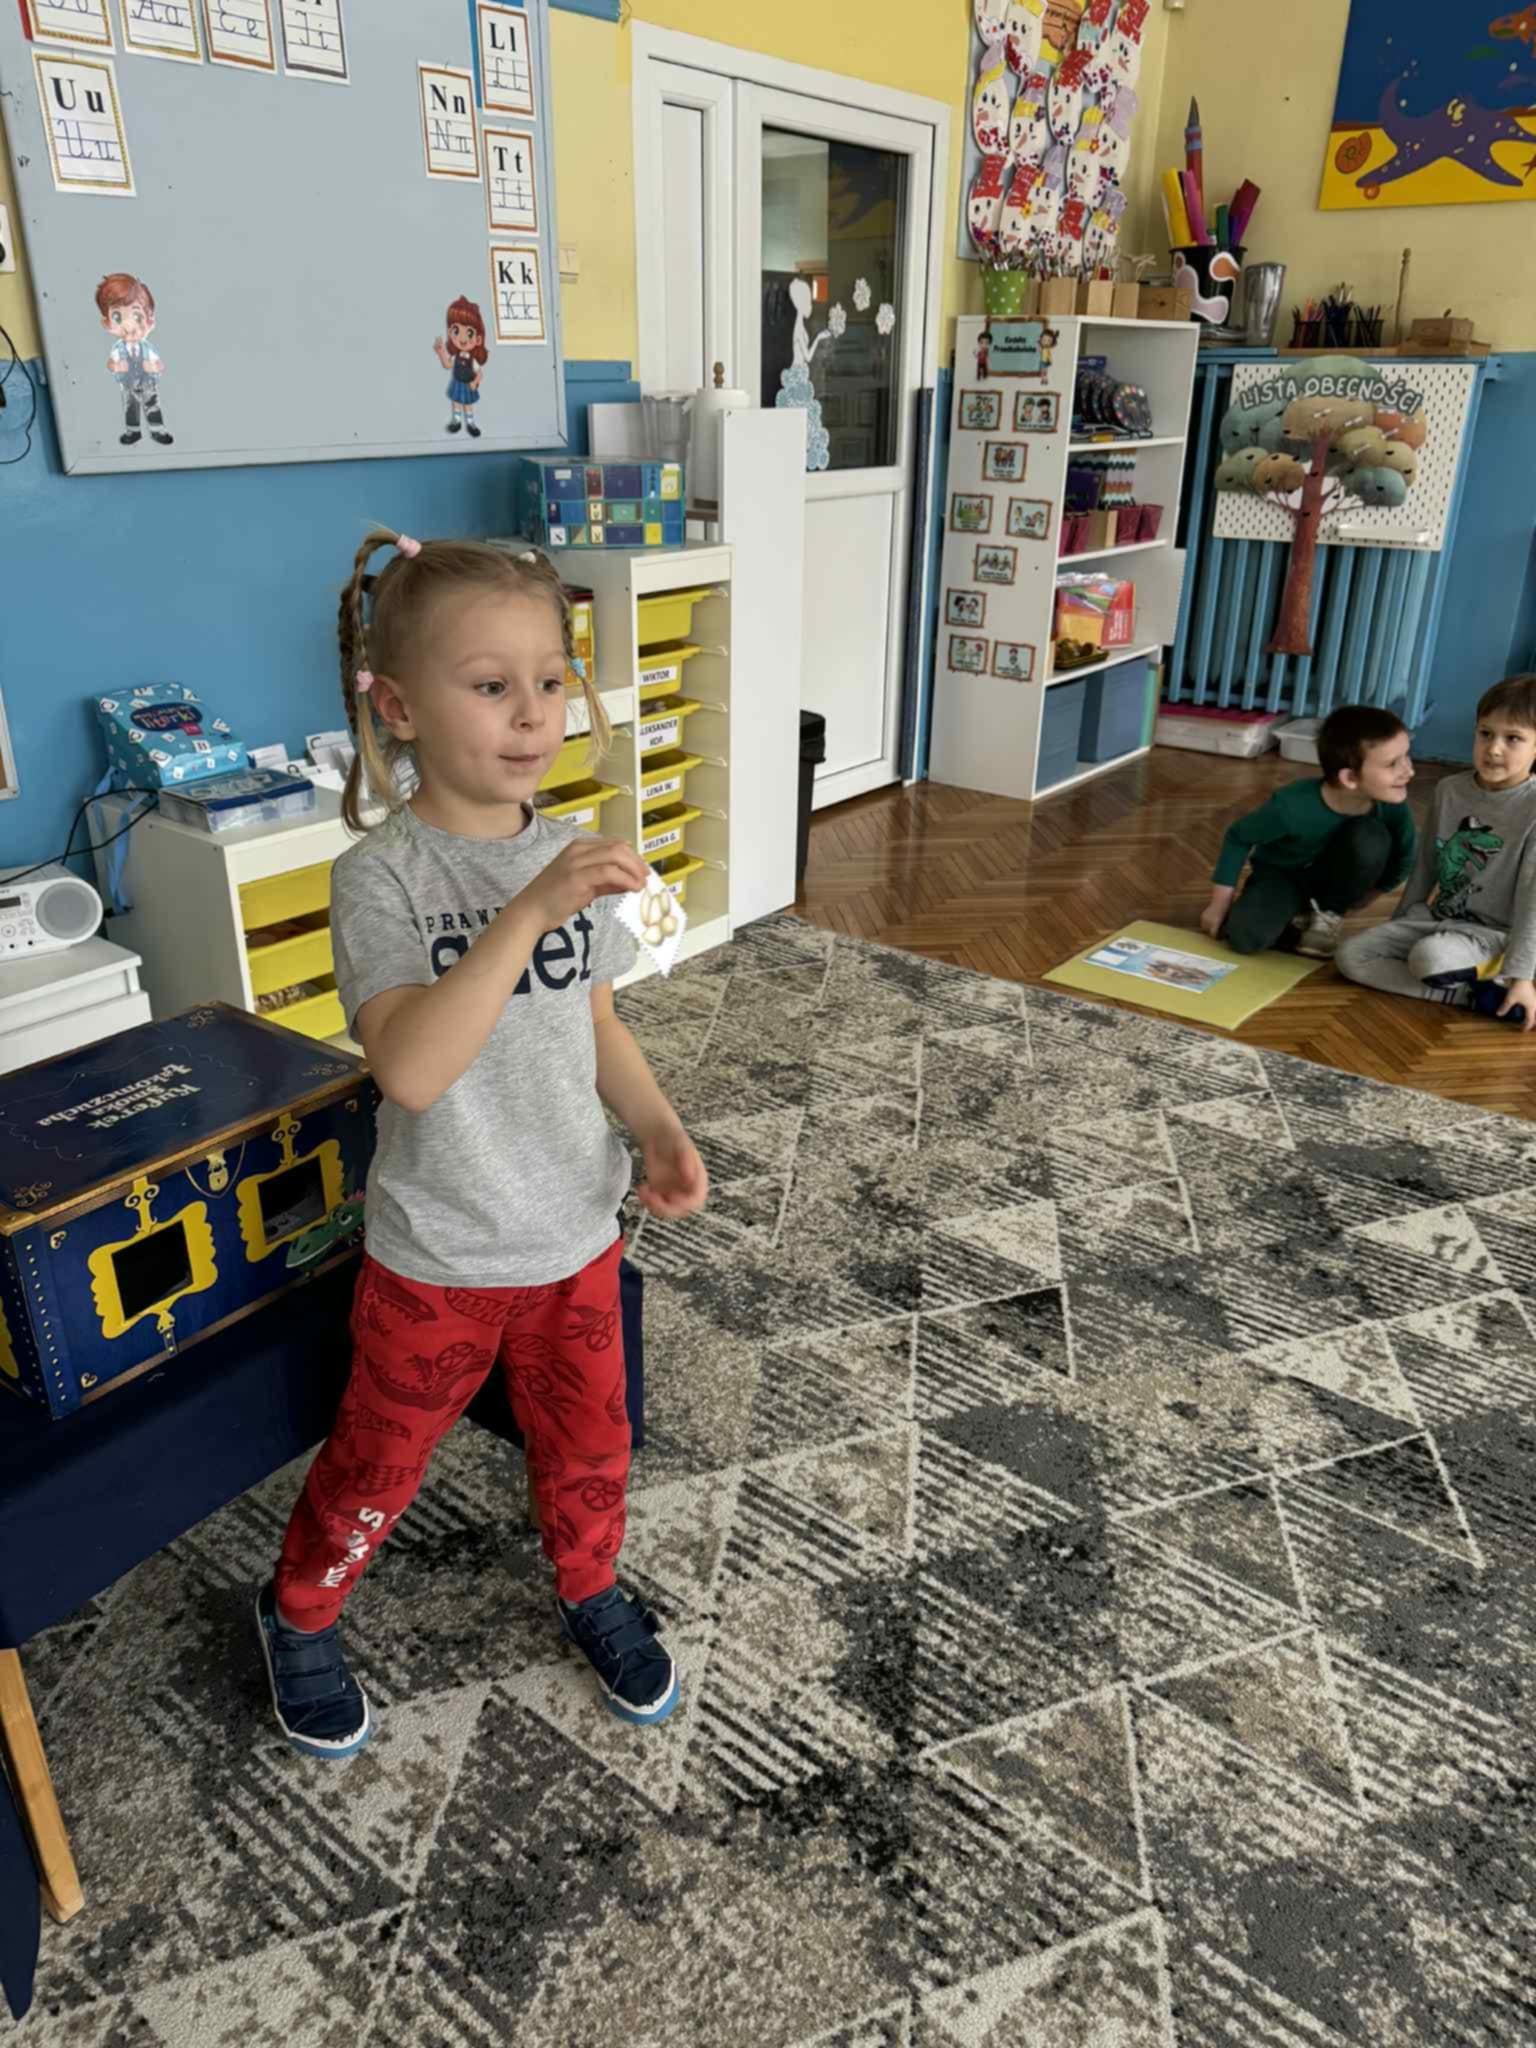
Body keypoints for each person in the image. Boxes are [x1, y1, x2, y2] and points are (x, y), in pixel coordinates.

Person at [255, 531, 710, 1761]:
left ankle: (590, 1585)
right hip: (441, 1255)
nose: (532, 713)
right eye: (491, 683)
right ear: (399, 707)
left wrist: (657, 1127)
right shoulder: (382, 879)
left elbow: (595, 1020)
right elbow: (409, 1065)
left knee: (592, 1443)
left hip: (576, 1237)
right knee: (379, 1460)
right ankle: (299, 1609)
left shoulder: (569, 855)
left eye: (551, 680)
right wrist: (528, 908)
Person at [1336, 674, 1536, 1030]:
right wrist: (1400, 923)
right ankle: (1472, 995)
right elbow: (1426, 865)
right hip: (1438, 921)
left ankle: (1506, 978)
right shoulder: (1449, 790)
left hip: (1496, 935)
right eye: (1485, 733)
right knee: (1351, 956)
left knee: (1429, 958)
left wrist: (1522, 976)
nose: (1493, 749)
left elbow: (1532, 902)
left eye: (1513, 738)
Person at [1199, 703, 1417, 960]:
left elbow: (1404, 858)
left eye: (1406, 756)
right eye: (1392, 764)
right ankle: (1296, 920)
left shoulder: (1393, 807)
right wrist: (1219, 904)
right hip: (1282, 879)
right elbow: (1238, 837)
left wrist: (1365, 899)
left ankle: (1326, 916)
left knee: (1370, 836)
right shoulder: (1290, 806)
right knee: (1245, 938)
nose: (1409, 770)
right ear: (1349, 778)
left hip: (1337, 884)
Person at [94, 272, 173, 447]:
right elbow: (110, 364)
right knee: (131, 407)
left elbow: (159, 365)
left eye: (136, 316)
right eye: (117, 317)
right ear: (107, 324)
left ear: (150, 321)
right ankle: (133, 431)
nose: (129, 326)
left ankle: (157, 430)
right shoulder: (118, 349)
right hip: (129, 383)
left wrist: (153, 366)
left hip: (147, 382)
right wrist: (116, 366)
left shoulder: (147, 348)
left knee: (152, 404)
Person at [432, 296, 488, 437]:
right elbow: (447, 364)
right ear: (450, 333)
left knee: (467, 405)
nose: (462, 339)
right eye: (457, 331)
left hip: (468, 384)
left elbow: (480, 373)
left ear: (478, 339)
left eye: (469, 333)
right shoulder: (456, 356)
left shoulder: (472, 360)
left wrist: (475, 382)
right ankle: (456, 421)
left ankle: (470, 423)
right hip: (457, 382)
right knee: (456, 402)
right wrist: (441, 352)